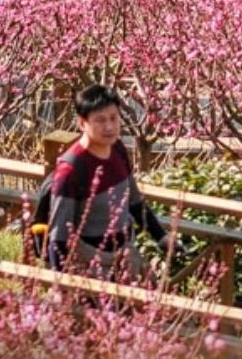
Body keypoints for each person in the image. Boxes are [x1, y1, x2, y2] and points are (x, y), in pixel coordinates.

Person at [44, 83, 167, 280]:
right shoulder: (71, 170)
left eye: (113, 118)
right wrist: (62, 285)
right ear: (82, 123)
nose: (109, 126)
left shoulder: (117, 149)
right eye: (100, 120)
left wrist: (161, 235)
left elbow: (134, 200)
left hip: (126, 260)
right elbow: (59, 238)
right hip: (91, 268)